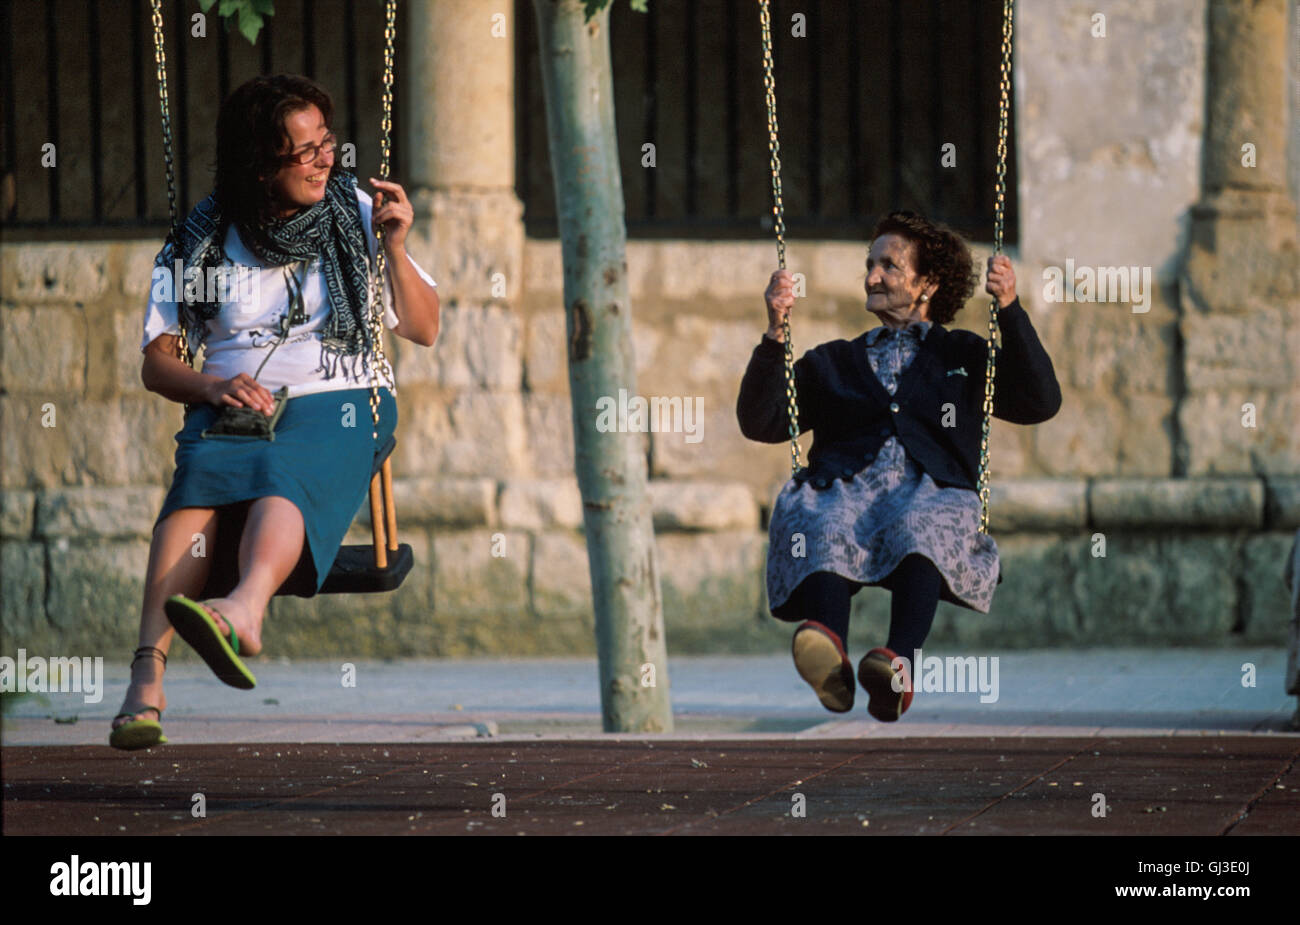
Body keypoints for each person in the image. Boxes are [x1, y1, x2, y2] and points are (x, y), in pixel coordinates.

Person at [110, 75, 439, 749]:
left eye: (328, 143)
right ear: (261, 164)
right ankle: (147, 677)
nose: (326, 160)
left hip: (342, 395)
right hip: (233, 399)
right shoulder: (201, 236)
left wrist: (397, 247)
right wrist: (210, 386)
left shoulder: (354, 211)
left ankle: (244, 610)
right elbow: (158, 361)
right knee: (194, 491)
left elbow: (425, 327)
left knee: (280, 465)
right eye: (305, 151)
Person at [737, 211, 1060, 722]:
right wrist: (776, 332)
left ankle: (897, 669)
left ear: (927, 282)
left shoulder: (964, 356)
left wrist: (1010, 309)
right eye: (870, 264)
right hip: (844, 487)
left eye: (888, 265)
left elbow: (1040, 401)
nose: (871, 277)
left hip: (930, 490)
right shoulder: (835, 361)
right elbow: (762, 420)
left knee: (921, 525)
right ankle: (831, 659)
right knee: (821, 518)